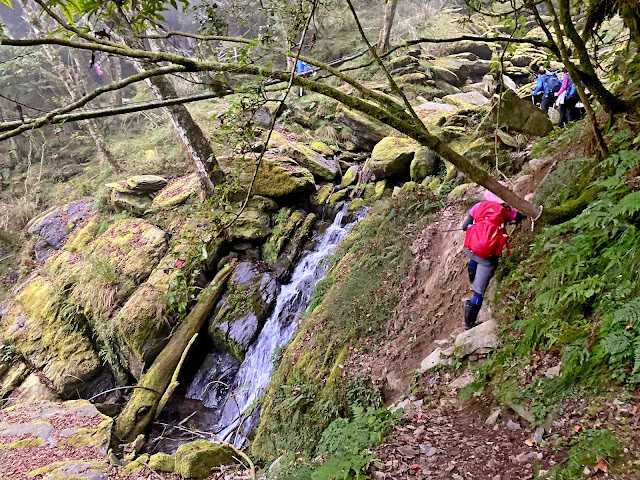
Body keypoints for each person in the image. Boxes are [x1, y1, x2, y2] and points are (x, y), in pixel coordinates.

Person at [461, 184, 524, 330]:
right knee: (479, 292)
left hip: (470, 250)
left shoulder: (478, 206)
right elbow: (519, 217)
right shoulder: (505, 211)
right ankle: (469, 324)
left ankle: (471, 274)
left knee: (475, 251)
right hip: (487, 258)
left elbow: (465, 226)